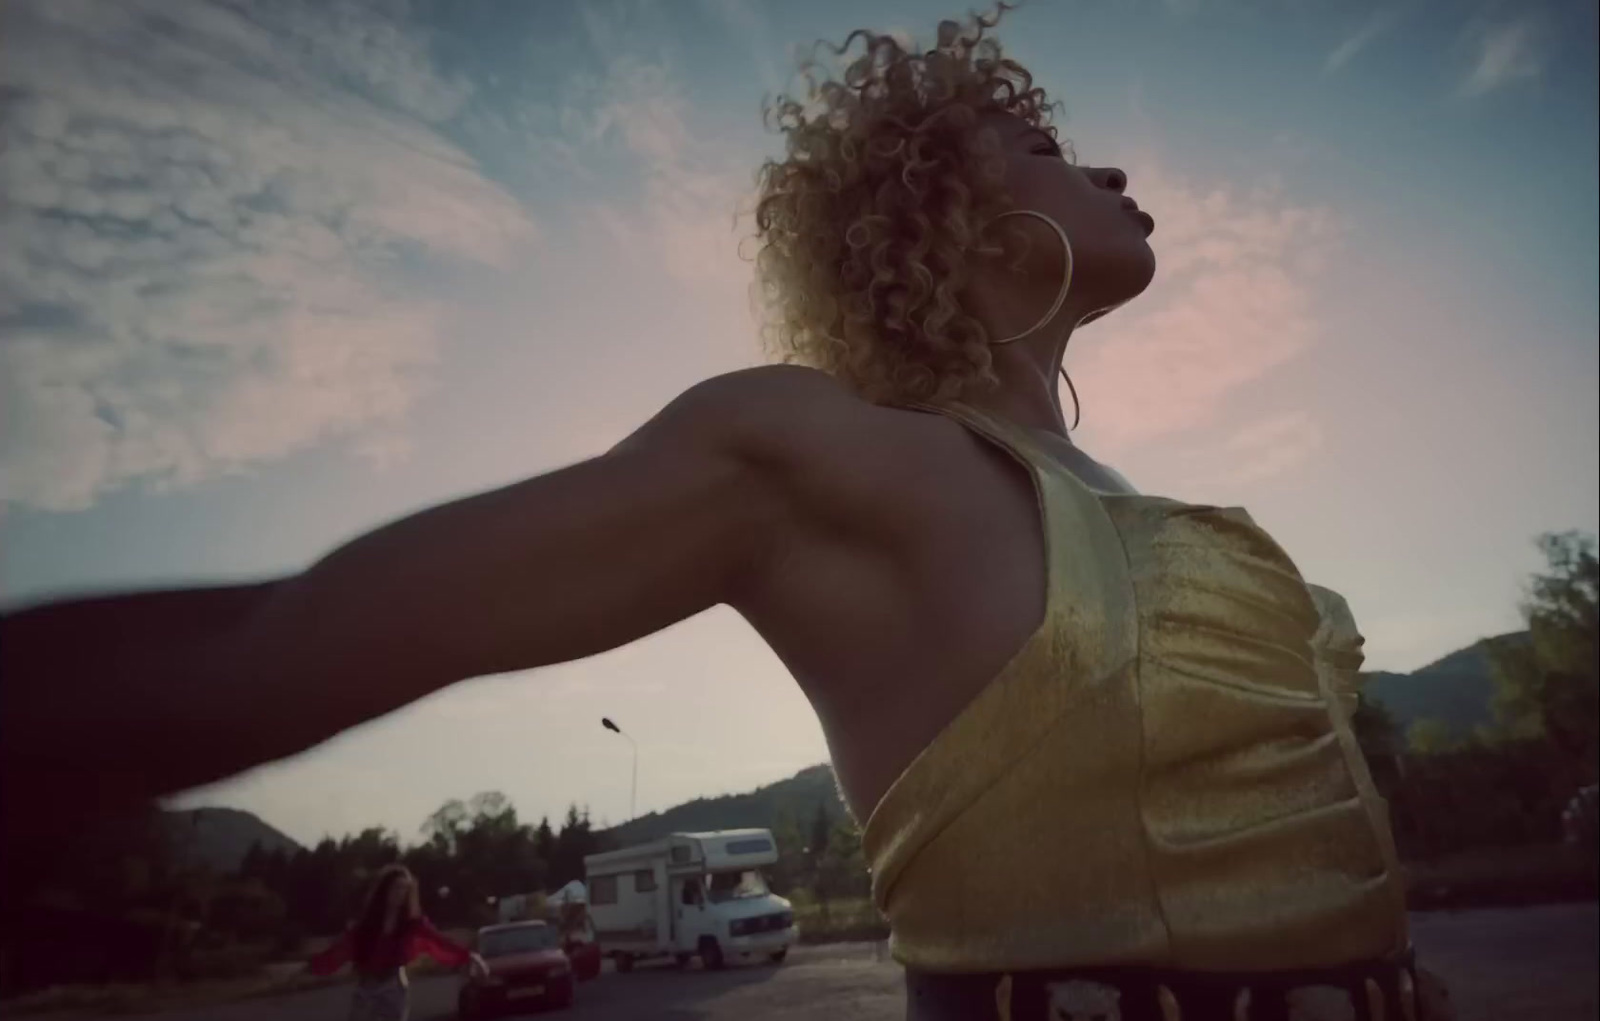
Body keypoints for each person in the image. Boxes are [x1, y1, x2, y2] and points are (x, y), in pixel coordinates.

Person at [0, 9, 1453, 1020]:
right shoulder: (819, 453)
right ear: (937, 210)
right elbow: (285, 641)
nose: (1111, 168)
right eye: (1039, 141)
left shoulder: (1115, 489)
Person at [305, 864, 486, 1021]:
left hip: (393, 986)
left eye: (405, 889)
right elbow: (339, 951)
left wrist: (470, 956)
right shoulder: (367, 924)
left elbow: (439, 941)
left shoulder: (413, 924)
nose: (400, 894)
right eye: (396, 888)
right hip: (366, 988)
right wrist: (309, 967)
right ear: (385, 890)